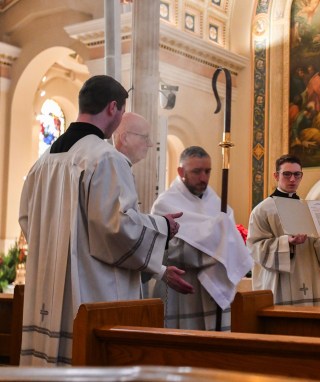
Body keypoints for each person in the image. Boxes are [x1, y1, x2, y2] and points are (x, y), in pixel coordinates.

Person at [18, 75, 191, 366]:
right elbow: (117, 228)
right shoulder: (105, 158)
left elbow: (26, 219)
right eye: (122, 110)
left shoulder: (43, 161)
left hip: (46, 284)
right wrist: (163, 226)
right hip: (89, 291)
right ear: (113, 107)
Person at [151, 146, 253, 330]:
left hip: (211, 294)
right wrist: (215, 245)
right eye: (196, 172)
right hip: (181, 289)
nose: (203, 178)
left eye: (207, 171)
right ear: (181, 171)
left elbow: (229, 241)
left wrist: (215, 241)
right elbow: (164, 249)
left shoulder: (217, 204)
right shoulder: (166, 204)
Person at [247, 154, 320, 306]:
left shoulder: (308, 209)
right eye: (287, 174)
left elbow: (312, 245)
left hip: (308, 279)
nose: (292, 179)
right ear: (276, 176)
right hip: (279, 284)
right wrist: (286, 242)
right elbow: (255, 248)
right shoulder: (262, 210)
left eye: (297, 174)